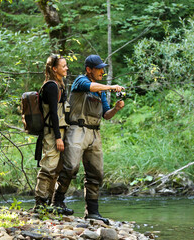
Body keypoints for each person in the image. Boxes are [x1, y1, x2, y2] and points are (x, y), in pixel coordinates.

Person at [52, 54, 125, 224]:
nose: (102, 71)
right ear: (89, 70)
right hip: (77, 129)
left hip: (95, 133)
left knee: (96, 173)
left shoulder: (100, 92)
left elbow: (106, 115)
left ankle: (92, 212)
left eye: (102, 68)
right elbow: (89, 86)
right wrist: (111, 87)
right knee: (70, 167)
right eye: (99, 68)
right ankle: (57, 202)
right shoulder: (80, 81)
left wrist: (116, 108)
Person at [33, 54, 73, 215]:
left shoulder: (60, 84)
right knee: (48, 167)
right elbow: (54, 115)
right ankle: (40, 204)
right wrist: (57, 137)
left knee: (57, 168)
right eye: (63, 66)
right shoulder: (51, 86)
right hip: (52, 132)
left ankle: (51, 202)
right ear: (54, 69)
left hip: (61, 131)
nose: (66, 68)